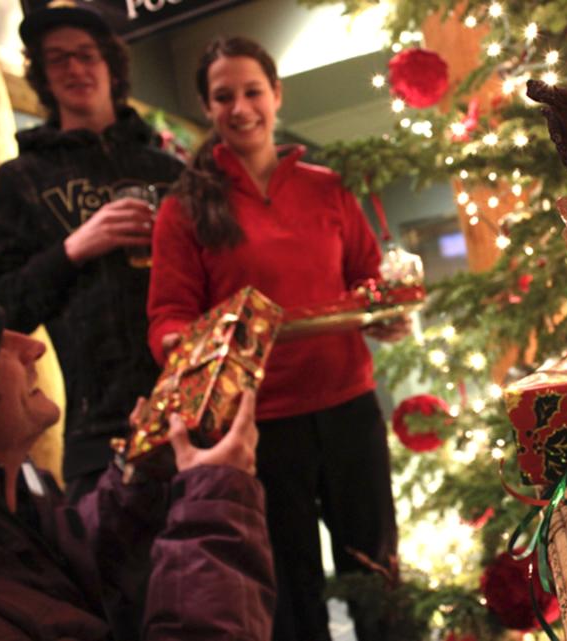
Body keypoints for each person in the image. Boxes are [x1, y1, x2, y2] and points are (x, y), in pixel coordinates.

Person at [147, 36, 406, 641]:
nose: (240, 108)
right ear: (207, 109)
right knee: (290, 600)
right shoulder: (184, 209)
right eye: (222, 96)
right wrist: (203, 347)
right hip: (256, 428)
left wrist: (385, 312)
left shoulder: (327, 187)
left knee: (377, 577)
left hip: (349, 409)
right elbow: (166, 320)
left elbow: (370, 281)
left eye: (251, 91)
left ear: (276, 94)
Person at [0, 286, 275, 640]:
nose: (33, 347)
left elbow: (71, 558)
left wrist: (138, 475)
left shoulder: (9, 494)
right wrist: (215, 503)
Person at [0, 3, 183, 501]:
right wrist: (73, 248)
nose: (74, 68)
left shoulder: (169, 171)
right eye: (58, 59)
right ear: (43, 76)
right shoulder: (22, 178)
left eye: (86, 55)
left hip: (192, 409)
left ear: (110, 63)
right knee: (120, 578)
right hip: (99, 425)